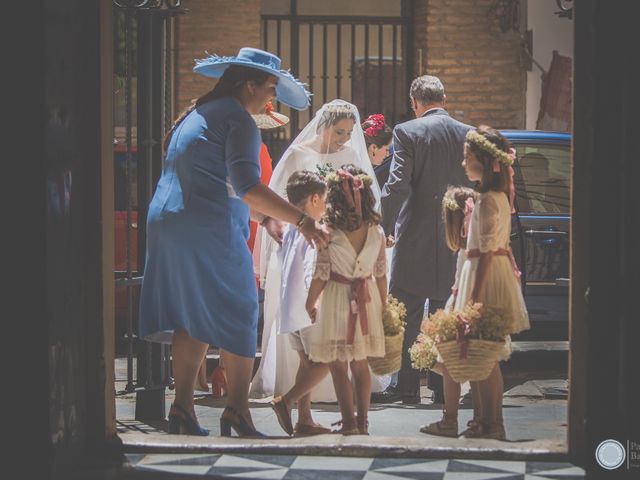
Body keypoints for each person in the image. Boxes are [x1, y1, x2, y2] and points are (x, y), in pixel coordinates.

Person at [138, 47, 329, 437]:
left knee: (190, 317)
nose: (271, 98)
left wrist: (265, 218)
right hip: (208, 226)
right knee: (242, 310)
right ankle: (238, 412)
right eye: (269, 88)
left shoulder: (196, 114)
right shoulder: (240, 121)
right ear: (249, 85)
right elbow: (246, 186)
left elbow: (214, 179)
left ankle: (182, 408)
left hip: (167, 221)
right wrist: (302, 221)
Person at [250, 99, 380, 403]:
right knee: (303, 319)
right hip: (301, 241)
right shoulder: (297, 154)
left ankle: (335, 399)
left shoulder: (350, 154)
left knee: (334, 318)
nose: (344, 139)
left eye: (348, 133)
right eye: (339, 132)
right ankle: (302, 394)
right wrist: (278, 224)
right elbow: (278, 198)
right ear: (323, 126)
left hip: (338, 244)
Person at [379, 75, 473, 405]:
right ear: (443, 98)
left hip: (415, 235)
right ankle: (438, 387)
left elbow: (397, 186)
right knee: (444, 313)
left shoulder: (407, 131)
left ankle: (405, 387)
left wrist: (384, 226)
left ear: (414, 102)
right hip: (455, 237)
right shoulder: (467, 133)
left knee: (404, 312)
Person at [194, 101, 289, 396]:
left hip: (233, 222)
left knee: (207, 301)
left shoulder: (227, 144)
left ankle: (200, 376)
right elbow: (262, 188)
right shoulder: (258, 149)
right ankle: (223, 369)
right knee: (234, 304)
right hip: (248, 225)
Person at [453, 126, 530, 439]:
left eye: (467, 157)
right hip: (489, 270)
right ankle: (485, 419)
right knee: (483, 354)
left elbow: (484, 253)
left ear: (483, 161)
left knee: (484, 354)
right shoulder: (494, 196)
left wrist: (472, 297)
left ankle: (492, 422)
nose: (463, 163)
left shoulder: (487, 200)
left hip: (485, 276)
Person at [301, 164, 387, 435]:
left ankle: (348, 422)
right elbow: (381, 273)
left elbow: (321, 274)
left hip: (338, 298)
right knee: (361, 364)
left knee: (338, 364)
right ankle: (363, 422)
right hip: (368, 298)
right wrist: (383, 305)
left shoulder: (328, 232)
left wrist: (310, 303)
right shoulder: (376, 230)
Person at [269, 170, 332, 436]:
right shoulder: (314, 230)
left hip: (290, 307)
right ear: (315, 198)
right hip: (307, 308)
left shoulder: (290, 227)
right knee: (328, 359)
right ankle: (287, 400)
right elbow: (311, 267)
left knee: (306, 365)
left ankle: (305, 420)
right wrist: (314, 300)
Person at [419, 186, 482, 437]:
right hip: (461, 304)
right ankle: (478, 417)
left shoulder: (468, 250)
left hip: (460, 306)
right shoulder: (472, 246)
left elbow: (462, 281)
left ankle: (450, 419)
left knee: (448, 365)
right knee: (469, 365)